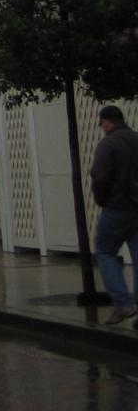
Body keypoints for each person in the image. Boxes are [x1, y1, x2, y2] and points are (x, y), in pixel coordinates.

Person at [90, 105, 138, 325]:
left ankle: (122, 303)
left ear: (106, 121)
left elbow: (100, 177)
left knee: (105, 251)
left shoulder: (107, 144)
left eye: (101, 124)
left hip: (117, 208)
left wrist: (101, 199)